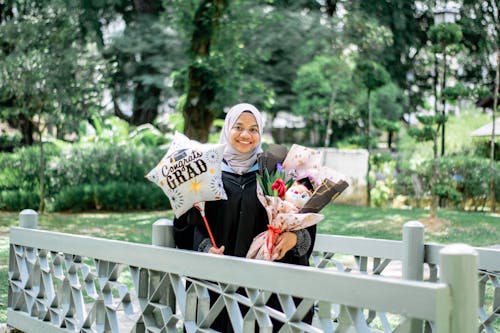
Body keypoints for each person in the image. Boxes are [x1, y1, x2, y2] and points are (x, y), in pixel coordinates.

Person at [172, 102, 315, 331]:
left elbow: (301, 214)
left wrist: (294, 239)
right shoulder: (205, 172)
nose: (246, 135)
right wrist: (204, 247)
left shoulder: (274, 172)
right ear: (227, 129)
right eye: (238, 127)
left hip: (264, 284)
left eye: (253, 129)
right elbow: (185, 222)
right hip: (217, 282)